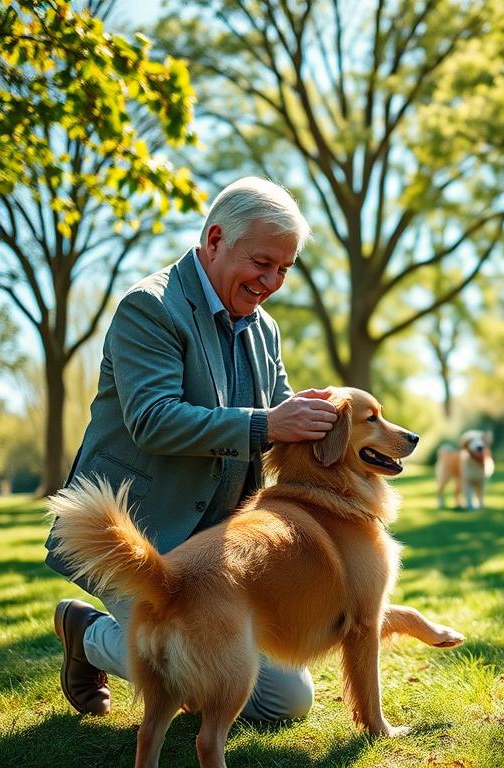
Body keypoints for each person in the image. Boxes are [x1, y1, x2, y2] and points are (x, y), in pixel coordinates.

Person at [44, 177, 339, 722]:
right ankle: (87, 636)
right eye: (261, 262)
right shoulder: (149, 308)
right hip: (139, 541)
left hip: (217, 560)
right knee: (203, 675)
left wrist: (334, 422)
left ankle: (117, 643)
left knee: (286, 701)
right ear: (215, 239)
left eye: (284, 269)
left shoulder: (263, 329)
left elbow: (278, 418)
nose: (271, 281)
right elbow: (153, 420)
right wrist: (269, 422)